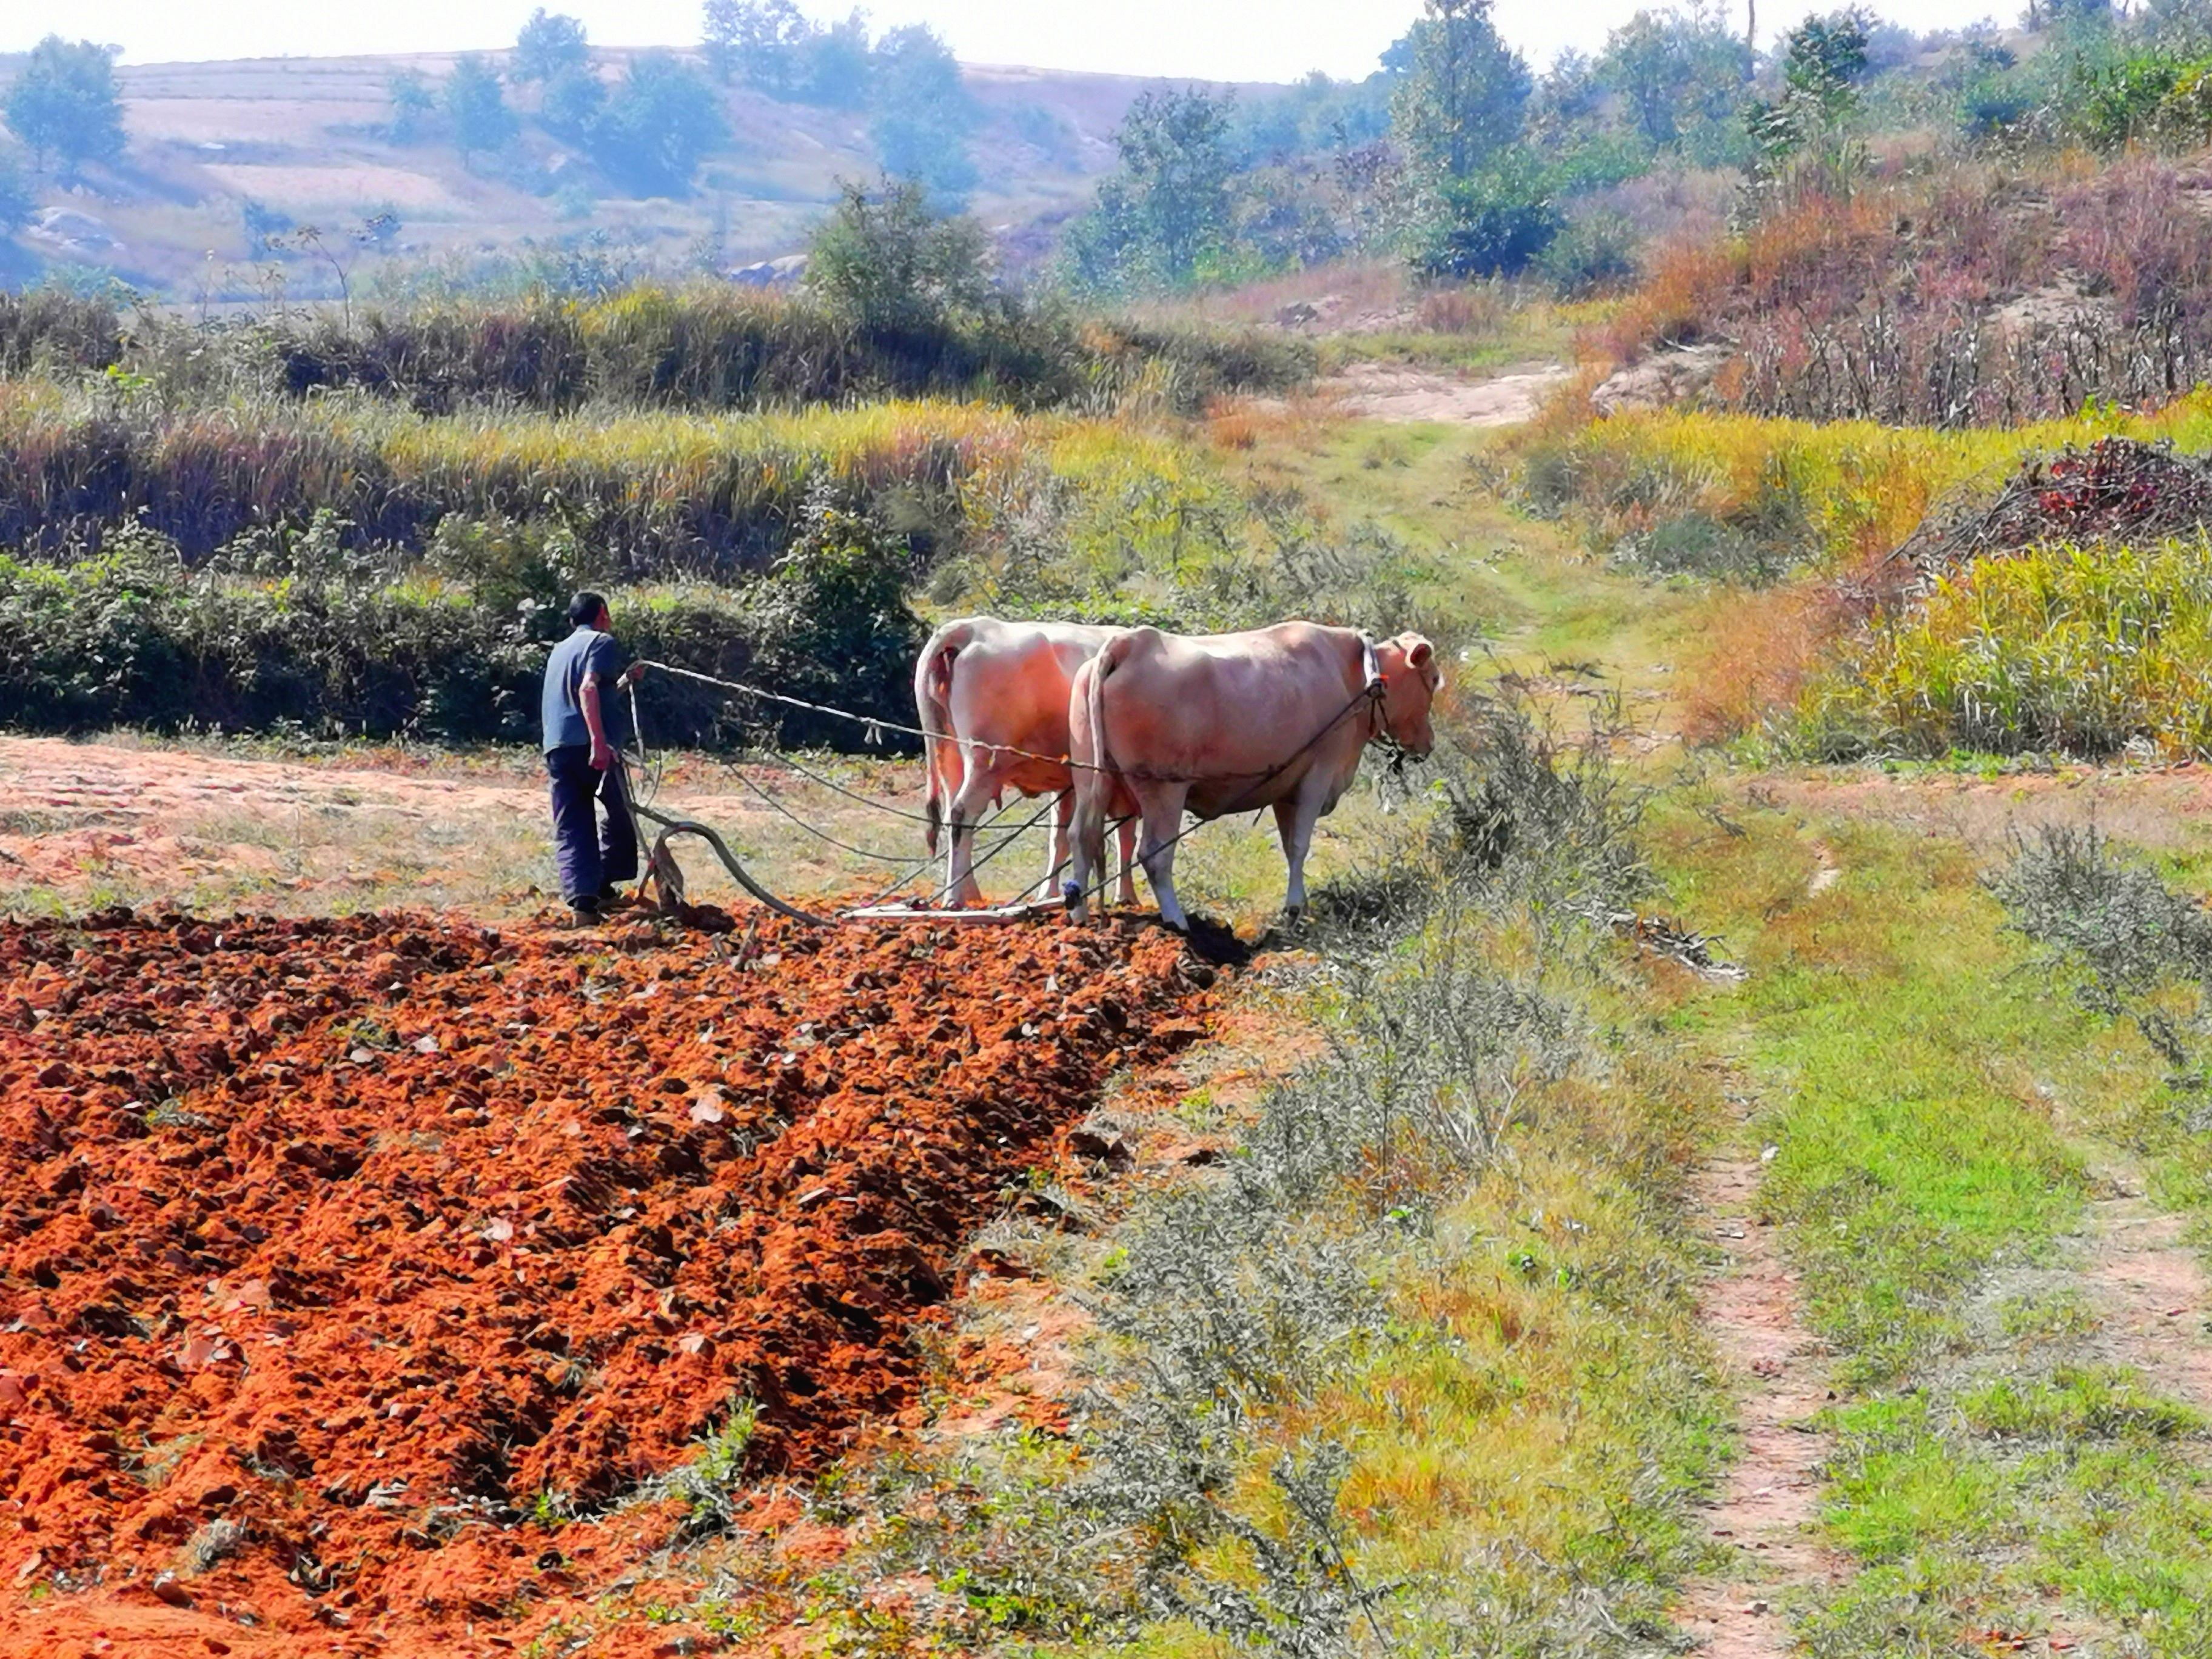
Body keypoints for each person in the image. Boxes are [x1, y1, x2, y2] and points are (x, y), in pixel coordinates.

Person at [542, 591, 646, 923]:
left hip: (558, 747)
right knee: (620, 814)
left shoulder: (559, 650)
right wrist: (598, 743)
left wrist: (625, 681)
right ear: (602, 612)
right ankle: (605, 879)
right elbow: (587, 690)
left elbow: (589, 693)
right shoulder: (601, 642)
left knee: (573, 824)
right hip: (590, 745)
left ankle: (585, 904)